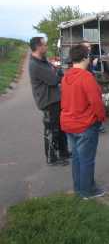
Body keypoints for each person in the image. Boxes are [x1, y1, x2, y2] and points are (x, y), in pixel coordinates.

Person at [60, 44, 106, 199]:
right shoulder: (86, 77)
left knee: (77, 159)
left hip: (69, 123)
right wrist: (101, 118)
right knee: (86, 160)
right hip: (84, 125)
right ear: (86, 57)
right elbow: (96, 102)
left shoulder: (66, 76)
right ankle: (87, 191)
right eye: (89, 55)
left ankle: (78, 188)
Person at [28, 37, 69, 166]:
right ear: (38, 47)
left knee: (61, 127)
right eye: (45, 45)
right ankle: (51, 158)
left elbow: (55, 71)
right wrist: (59, 74)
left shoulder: (42, 60)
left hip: (54, 98)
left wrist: (57, 72)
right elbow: (53, 79)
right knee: (52, 129)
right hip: (48, 101)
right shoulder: (35, 64)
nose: (46, 47)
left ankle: (64, 152)